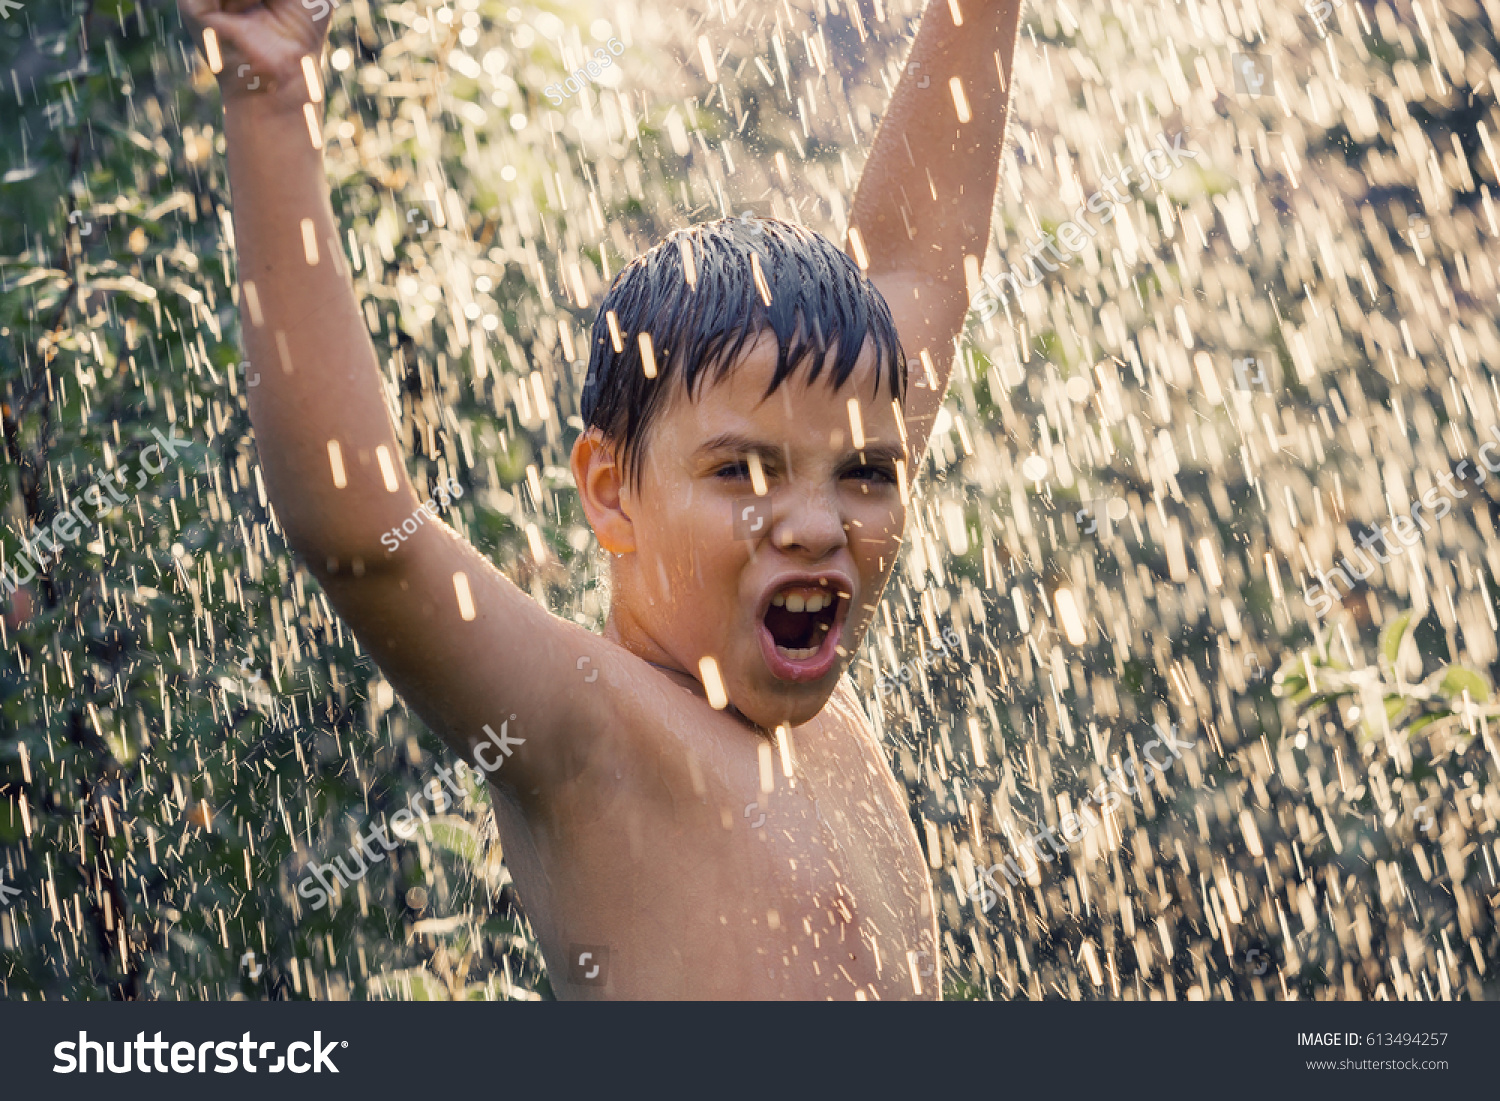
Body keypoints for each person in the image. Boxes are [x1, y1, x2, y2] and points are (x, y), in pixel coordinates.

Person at [179, 0, 1022, 999]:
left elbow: (921, 265)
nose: (818, 523)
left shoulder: (808, 713)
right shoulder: (595, 735)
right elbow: (364, 530)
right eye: (742, 473)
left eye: (867, 475)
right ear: (612, 493)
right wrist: (270, 89)